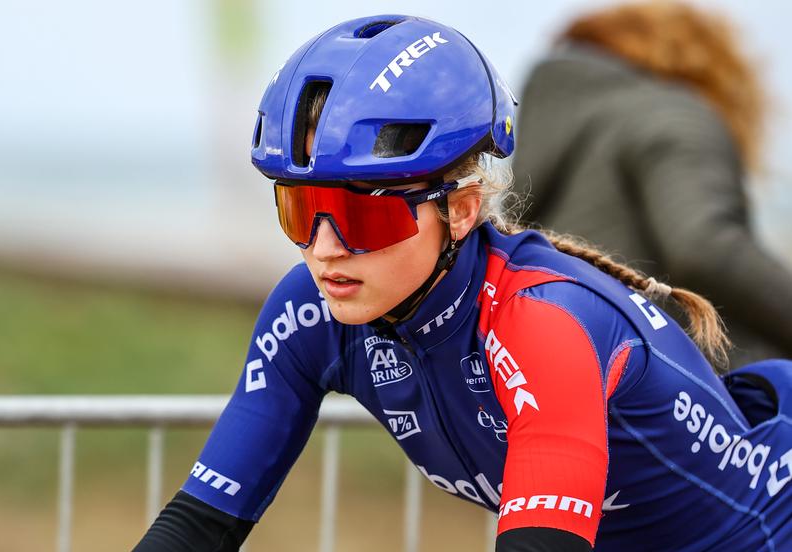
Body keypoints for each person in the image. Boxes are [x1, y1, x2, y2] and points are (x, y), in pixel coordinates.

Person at [135, 15, 792, 551]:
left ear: (462, 207)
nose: (325, 248)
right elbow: (196, 527)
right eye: (301, 211)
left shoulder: (541, 320)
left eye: (365, 213)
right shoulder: (312, 312)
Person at [506, 1, 792, 367]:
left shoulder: (557, 137)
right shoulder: (669, 111)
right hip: (679, 393)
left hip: (569, 373)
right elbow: (706, 247)